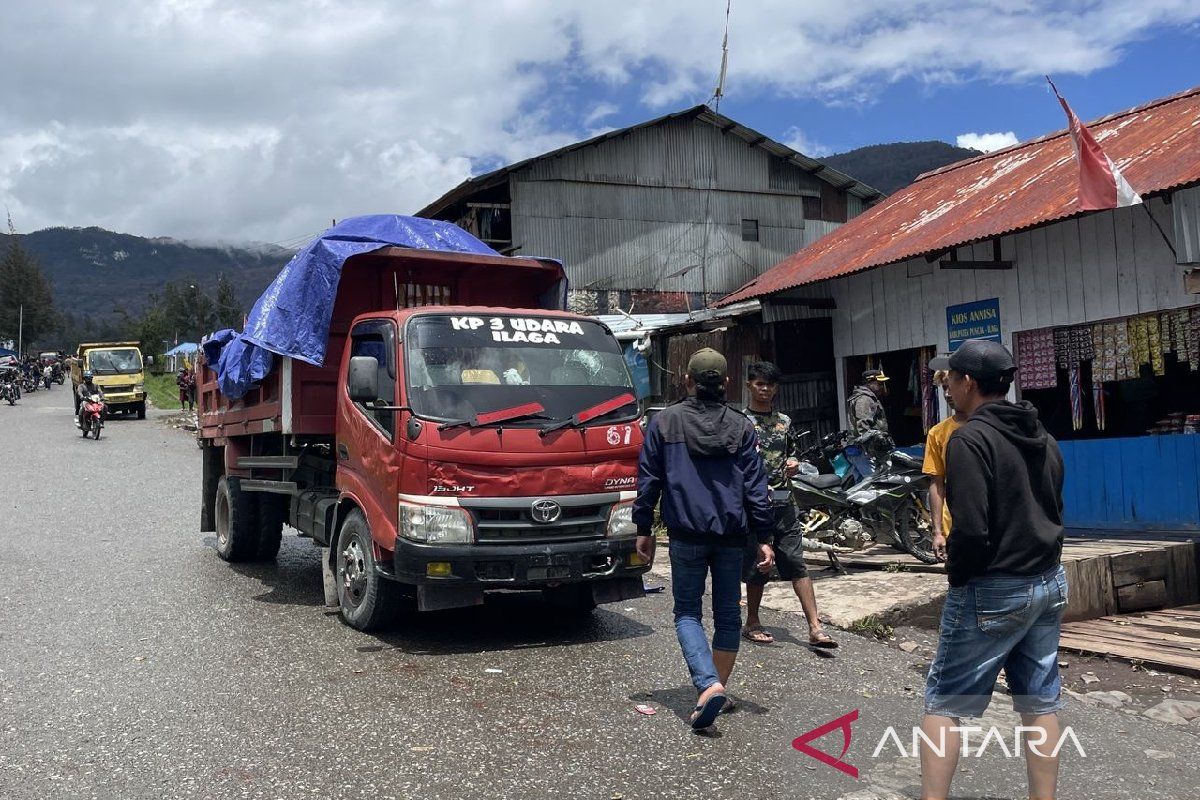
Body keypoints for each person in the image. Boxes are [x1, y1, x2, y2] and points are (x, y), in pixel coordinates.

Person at [920, 340, 1067, 800]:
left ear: (967, 383)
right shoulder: (1042, 435)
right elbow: (1053, 506)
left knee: (946, 700)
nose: (949, 391)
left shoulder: (969, 439)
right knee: (1038, 700)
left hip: (994, 585)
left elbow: (972, 528)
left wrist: (959, 576)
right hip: (1047, 581)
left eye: (952, 381)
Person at [632, 347, 774, 731]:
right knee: (728, 614)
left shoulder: (663, 423)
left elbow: (648, 481)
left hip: (686, 534)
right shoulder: (744, 426)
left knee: (687, 613)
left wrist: (643, 528)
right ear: (726, 383)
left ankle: (708, 686)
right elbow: (756, 488)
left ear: (688, 382)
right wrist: (764, 536)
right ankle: (717, 688)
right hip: (732, 535)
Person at [738, 361, 837, 649]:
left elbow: (793, 455)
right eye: (759, 384)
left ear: (776, 388)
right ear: (749, 386)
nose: (765, 389)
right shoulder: (741, 422)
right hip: (754, 505)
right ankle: (752, 622)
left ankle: (815, 628)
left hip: (784, 502)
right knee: (759, 565)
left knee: (795, 562)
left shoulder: (785, 422)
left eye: (769, 385)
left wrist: (795, 464)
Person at [921, 369, 968, 563]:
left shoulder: (992, 425)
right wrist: (938, 531)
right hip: (954, 526)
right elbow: (937, 482)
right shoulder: (938, 433)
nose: (947, 394)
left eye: (951, 386)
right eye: (944, 388)